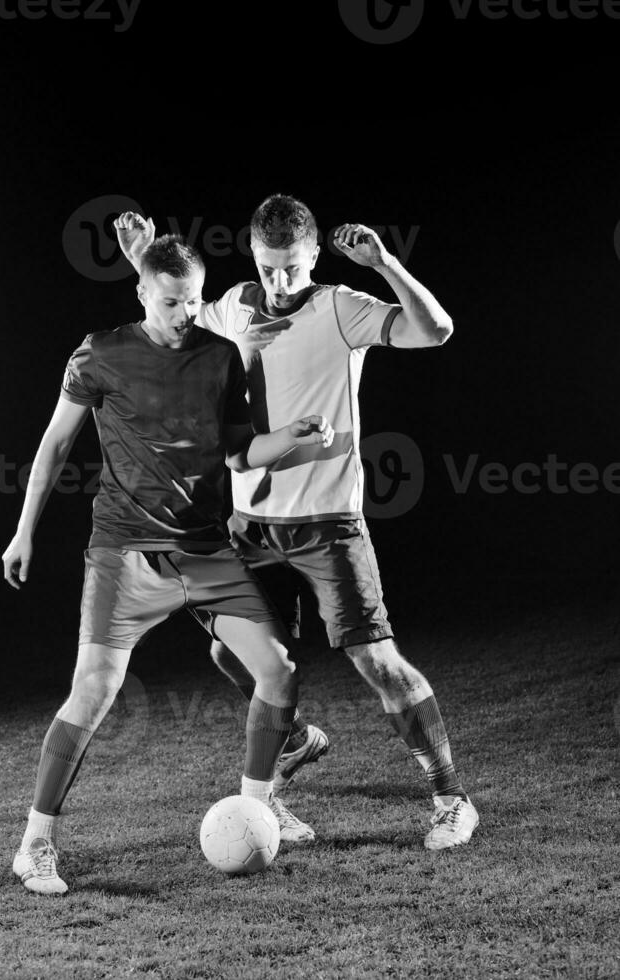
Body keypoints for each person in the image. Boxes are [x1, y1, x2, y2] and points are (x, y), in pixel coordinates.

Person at [117, 198, 479, 851]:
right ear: (253, 258)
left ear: (311, 257)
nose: (281, 283)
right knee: (234, 654)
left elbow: (437, 331)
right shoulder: (232, 306)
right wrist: (142, 262)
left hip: (328, 524)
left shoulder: (339, 306)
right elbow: (171, 330)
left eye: (291, 268)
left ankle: (451, 798)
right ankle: (295, 743)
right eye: (268, 268)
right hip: (252, 524)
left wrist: (387, 263)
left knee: (376, 660)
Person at [2, 234, 336, 895]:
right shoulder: (100, 354)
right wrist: (22, 533)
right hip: (125, 553)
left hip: (205, 551)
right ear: (141, 293)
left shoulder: (219, 358)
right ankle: (35, 844)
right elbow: (53, 447)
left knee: (276, 669)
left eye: (192, 301)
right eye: (170, 302)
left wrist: (292, 442)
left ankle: (258, 800)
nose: (184, 314)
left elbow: (241, 454)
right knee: (94, 690)